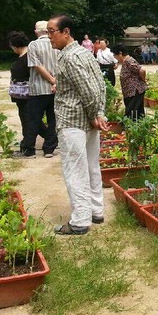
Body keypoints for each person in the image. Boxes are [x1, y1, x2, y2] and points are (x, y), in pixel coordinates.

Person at [47, 15, 108, 235]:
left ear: (66, 32)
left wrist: (94, 114)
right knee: (91, 166)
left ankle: (80, 220)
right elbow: (100, 84)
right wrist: (99, 113)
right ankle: (96, 211)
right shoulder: (84, 52)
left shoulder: (69, 57)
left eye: (51, 32)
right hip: (88, 121)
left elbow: (89, 89)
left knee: (75, 170)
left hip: (73, 120)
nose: (49, 37)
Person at [22, 21, 58, 158]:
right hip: (55, 89)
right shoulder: (56, 44)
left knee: (33, 119)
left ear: (36, 32)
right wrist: (55, 81)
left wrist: (50, 79)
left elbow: (36, 65)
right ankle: (49, 148)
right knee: (53, 119)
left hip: (38, 88)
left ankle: (29, 149)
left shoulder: (33, 45)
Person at [8, 31, 46, 154]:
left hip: (27, 94)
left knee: (29, 120)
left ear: (15, 45)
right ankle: (49, 137)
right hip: (20, 96)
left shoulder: (28, 58)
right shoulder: (23, 57)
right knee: (29, 119)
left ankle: (28, 147)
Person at [112, 43, 147, 120]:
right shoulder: (126, 61)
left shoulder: (128, 61)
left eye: (115, 55)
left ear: (120, 53)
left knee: (132, 112)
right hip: (130, 92)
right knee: (134, 112)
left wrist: (143, 80)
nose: (115, 57)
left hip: (134, 91)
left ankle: (131, 125)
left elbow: (142, 70)